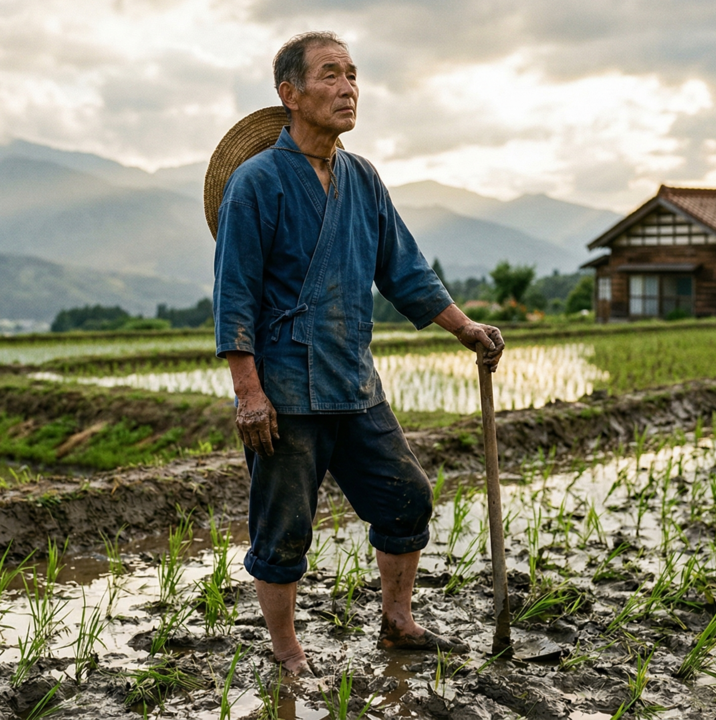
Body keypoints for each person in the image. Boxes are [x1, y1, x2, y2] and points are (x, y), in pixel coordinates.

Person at [212, 31, 505, 675]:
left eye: (353, 75)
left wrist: (466, 329)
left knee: (407, 499)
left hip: (355, 382)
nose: (348, 88)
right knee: (283, 526)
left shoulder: (362, 178)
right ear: (290, 94)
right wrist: (248, 393)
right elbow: (234, 296)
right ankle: (287, 649)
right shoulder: (256, 185)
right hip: (285, 390)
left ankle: (398, 620)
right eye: (330, 75)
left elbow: (404, 270)